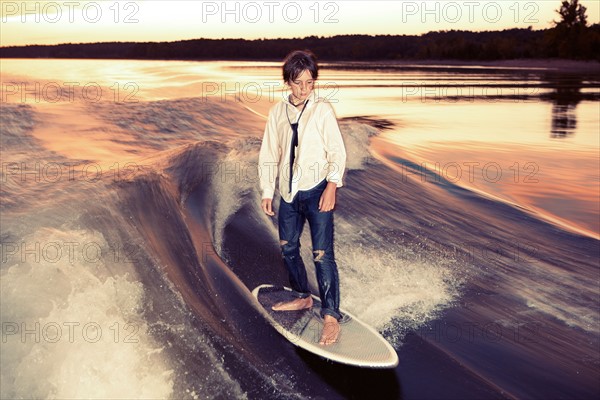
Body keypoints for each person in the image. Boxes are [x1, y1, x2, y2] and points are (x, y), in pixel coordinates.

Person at [258, 49, 347, 346]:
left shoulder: (321, 110)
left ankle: (331, 315)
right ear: (288, 82)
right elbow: (269, 153)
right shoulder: (276, 113)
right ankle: (301, 296)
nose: (304, 89)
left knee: (322, 254)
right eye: (298, 83)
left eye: (310, 83)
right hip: (288, 194)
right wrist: (267, 190)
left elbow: (337, 150)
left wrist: (333, 186)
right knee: (288, 248)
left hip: (317, 191)